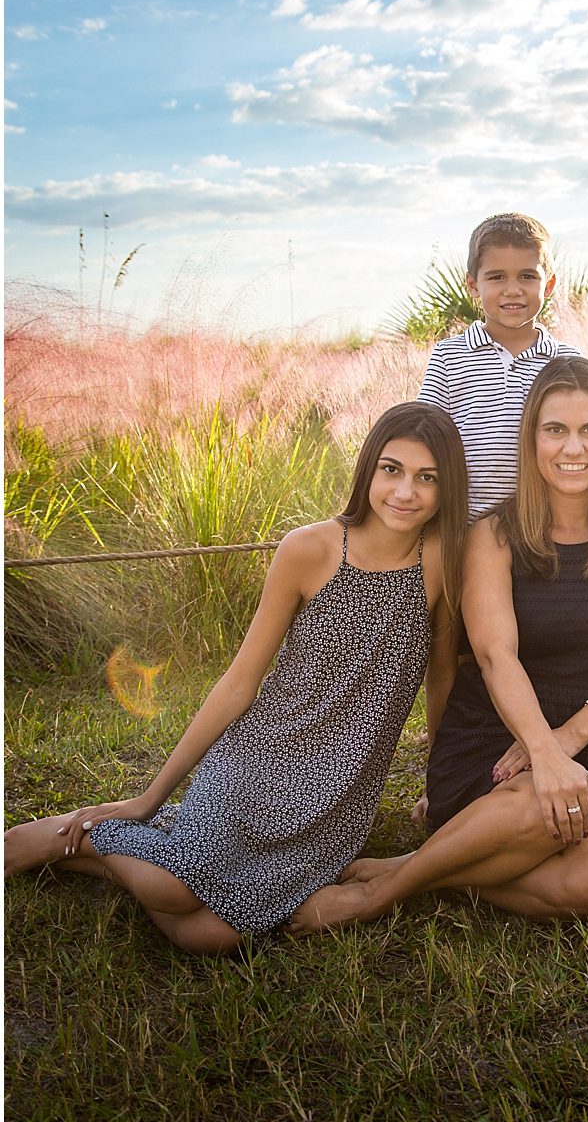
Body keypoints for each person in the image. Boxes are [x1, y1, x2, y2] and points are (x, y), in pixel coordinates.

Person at [4, 403, 469, 955]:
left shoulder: (442, 559)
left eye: (427, 478)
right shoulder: (310, 549)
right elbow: (240, 682)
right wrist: (149, 798)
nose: (405, 491)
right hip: (260, 755)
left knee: (208, 936)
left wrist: (438, 787)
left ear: (447, 489)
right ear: (368, 467)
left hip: (342, 789)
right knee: (173, 890)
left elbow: (442, 679)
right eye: (391, 469)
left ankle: (104, 852)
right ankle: (79, 839)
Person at [288, 357, 588, 934]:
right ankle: (379, 896)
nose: (572, 447)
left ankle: (419, 869)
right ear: (531, 439)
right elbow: (494, 654)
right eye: (554, 429)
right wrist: (540, 749)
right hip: (498, 739)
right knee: (535, 804)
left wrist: (561, 745)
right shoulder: (494, 534)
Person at [418, 212, 579, 519]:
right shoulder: (449, 357)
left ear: (549, 285)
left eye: (527, 276)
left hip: (544, 526)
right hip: (464, 524)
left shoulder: (567, 361)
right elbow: (425, 437)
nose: (513, 289)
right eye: (496, 277)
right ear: (473, 285)